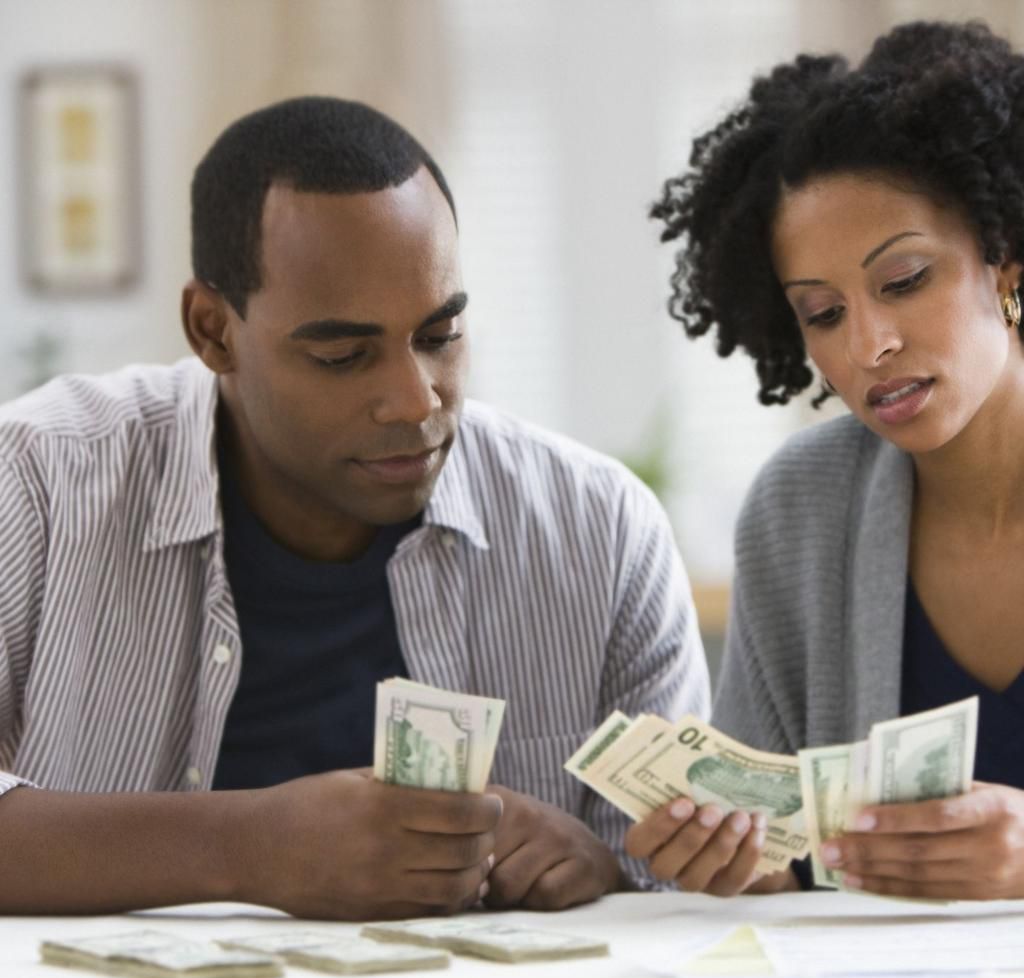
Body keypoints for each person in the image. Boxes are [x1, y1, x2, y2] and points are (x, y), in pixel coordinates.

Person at [0, 98, 709, 918]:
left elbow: (681, 902)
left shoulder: (602, 530)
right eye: (344, 355)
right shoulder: (37, 483)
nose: (415, 402)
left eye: (440, 335)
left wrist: (595, 870)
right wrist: (246, 846)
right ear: (212, 331)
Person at [625, 19, 1024, 901]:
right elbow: (783, 874)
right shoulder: (802, 508)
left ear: (1002, 257)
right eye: (822, 312)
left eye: (905, 280)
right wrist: (735, 863)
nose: (869, 346)